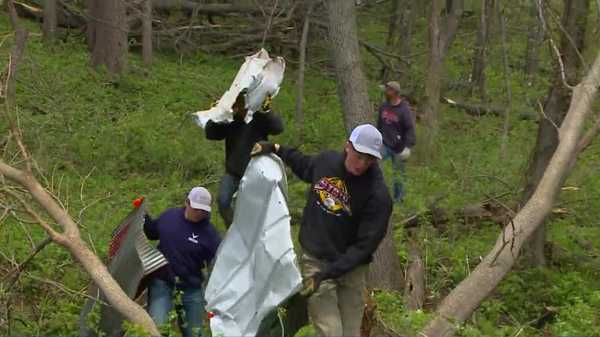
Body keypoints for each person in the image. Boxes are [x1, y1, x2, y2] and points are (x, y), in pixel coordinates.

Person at [251, 124, 393, 337]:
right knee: (331, 332)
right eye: (359, 155)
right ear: (348, 147)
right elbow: (303, 164)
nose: (362, 164)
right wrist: (275, 148)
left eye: (369, 159)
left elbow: (364, 247)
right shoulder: (326, 162)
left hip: (351, 269)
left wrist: (327, 274)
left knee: (350, 333)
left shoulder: (378, 195)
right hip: (316, 261)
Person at [143, 187, 221, 337]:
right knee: (158, 328)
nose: (200, 214)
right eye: (196, 209)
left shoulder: (210, 235)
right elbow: (152, 233)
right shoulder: (169, 217)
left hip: (191, 287)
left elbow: (218, 263)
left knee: (195, 333)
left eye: (203, 210)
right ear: (187, 203)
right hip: (162, 282)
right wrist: (145, 218)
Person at [205, 95, 284, 227]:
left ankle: (253, 232)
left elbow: (278, 128)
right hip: (234, 172)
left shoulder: (258, 117)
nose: (239, 108)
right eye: (236, 105)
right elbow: (211, 134)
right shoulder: (230, 119)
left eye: (241, 105)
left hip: (257, 172)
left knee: (255, 208)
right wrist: (217, 116)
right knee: (223, 201)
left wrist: (267, 111)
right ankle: (233, 230)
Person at [377, 81, 416, 202]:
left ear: (394, 92)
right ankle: (375, 192)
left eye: (387, 90)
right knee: (373, 163)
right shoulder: (383, 106)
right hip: (384, 144)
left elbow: (410, 128)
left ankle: (398, 201)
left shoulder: (404, 110)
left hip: (399, 148)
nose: (385, 92)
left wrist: (408, 147)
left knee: (398, 176)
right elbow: (379, 124)